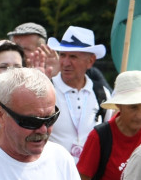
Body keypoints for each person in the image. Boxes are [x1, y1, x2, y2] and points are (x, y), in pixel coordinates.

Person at [46, 26, 111, 156]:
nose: (65, 63)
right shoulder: (47, 89)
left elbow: (108, 136)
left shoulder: (101, 93)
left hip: (90, 175)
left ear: (90, 61)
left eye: (73, 57)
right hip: (52, 173)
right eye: (62, 55)